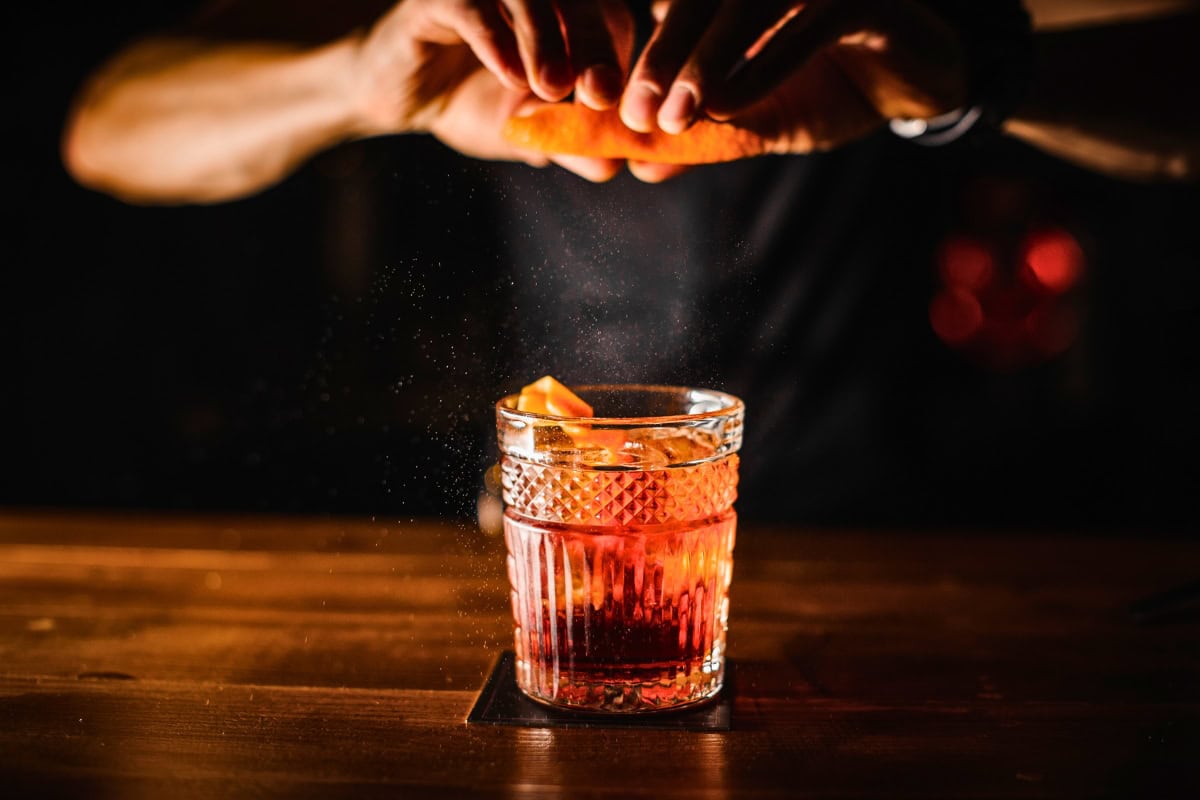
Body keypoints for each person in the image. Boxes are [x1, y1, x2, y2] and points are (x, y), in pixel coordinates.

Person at [59, 1, 1200, 526]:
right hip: (569, 528)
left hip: (903, 535)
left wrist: (962, 76)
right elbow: (111, 129)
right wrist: (354, 79)